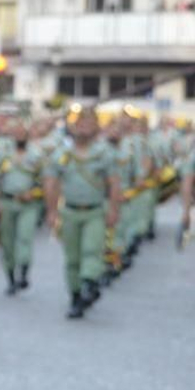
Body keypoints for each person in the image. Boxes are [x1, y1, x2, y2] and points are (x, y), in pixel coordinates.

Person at [43, 105, 119, 320]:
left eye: (88, 123)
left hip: (95, 210)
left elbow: (114, 183)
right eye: (79, 123)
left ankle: (89, 282)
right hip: (69, 211)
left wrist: (114, 209)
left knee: (91, 249)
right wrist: (51, 211)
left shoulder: (104, 153)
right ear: (72, 126)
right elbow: (51, 183)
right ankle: (76, 296)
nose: (83, 128)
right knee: (72, 258)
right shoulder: (62, 154)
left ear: (95, 127)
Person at [0, 120, 45, 295]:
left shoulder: (36, 155)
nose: (19, 136)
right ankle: (10, 278)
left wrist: (34, 193)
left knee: (25, 237)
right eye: (16, 132)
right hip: (7, 202)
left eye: (22, 133)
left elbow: (45, 181)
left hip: (28, 204)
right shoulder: (3, 154)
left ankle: (23, 272)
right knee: (7, 242)